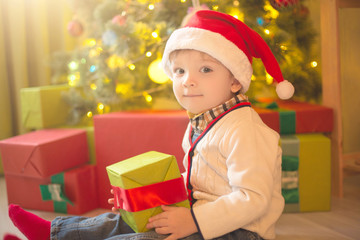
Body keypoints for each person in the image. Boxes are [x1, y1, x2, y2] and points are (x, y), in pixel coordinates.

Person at [7, 10, 294, 240]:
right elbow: (198, 180)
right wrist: (143, 198)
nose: (187, 80)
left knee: (145, 238)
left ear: (235, 81)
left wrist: (193, 220)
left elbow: (252, 199)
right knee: (124, 221)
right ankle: (54, 234)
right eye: (179, 70)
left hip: (240, 231)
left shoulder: (244, 129)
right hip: (199, 211)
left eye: (205, 69)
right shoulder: (202, 121)